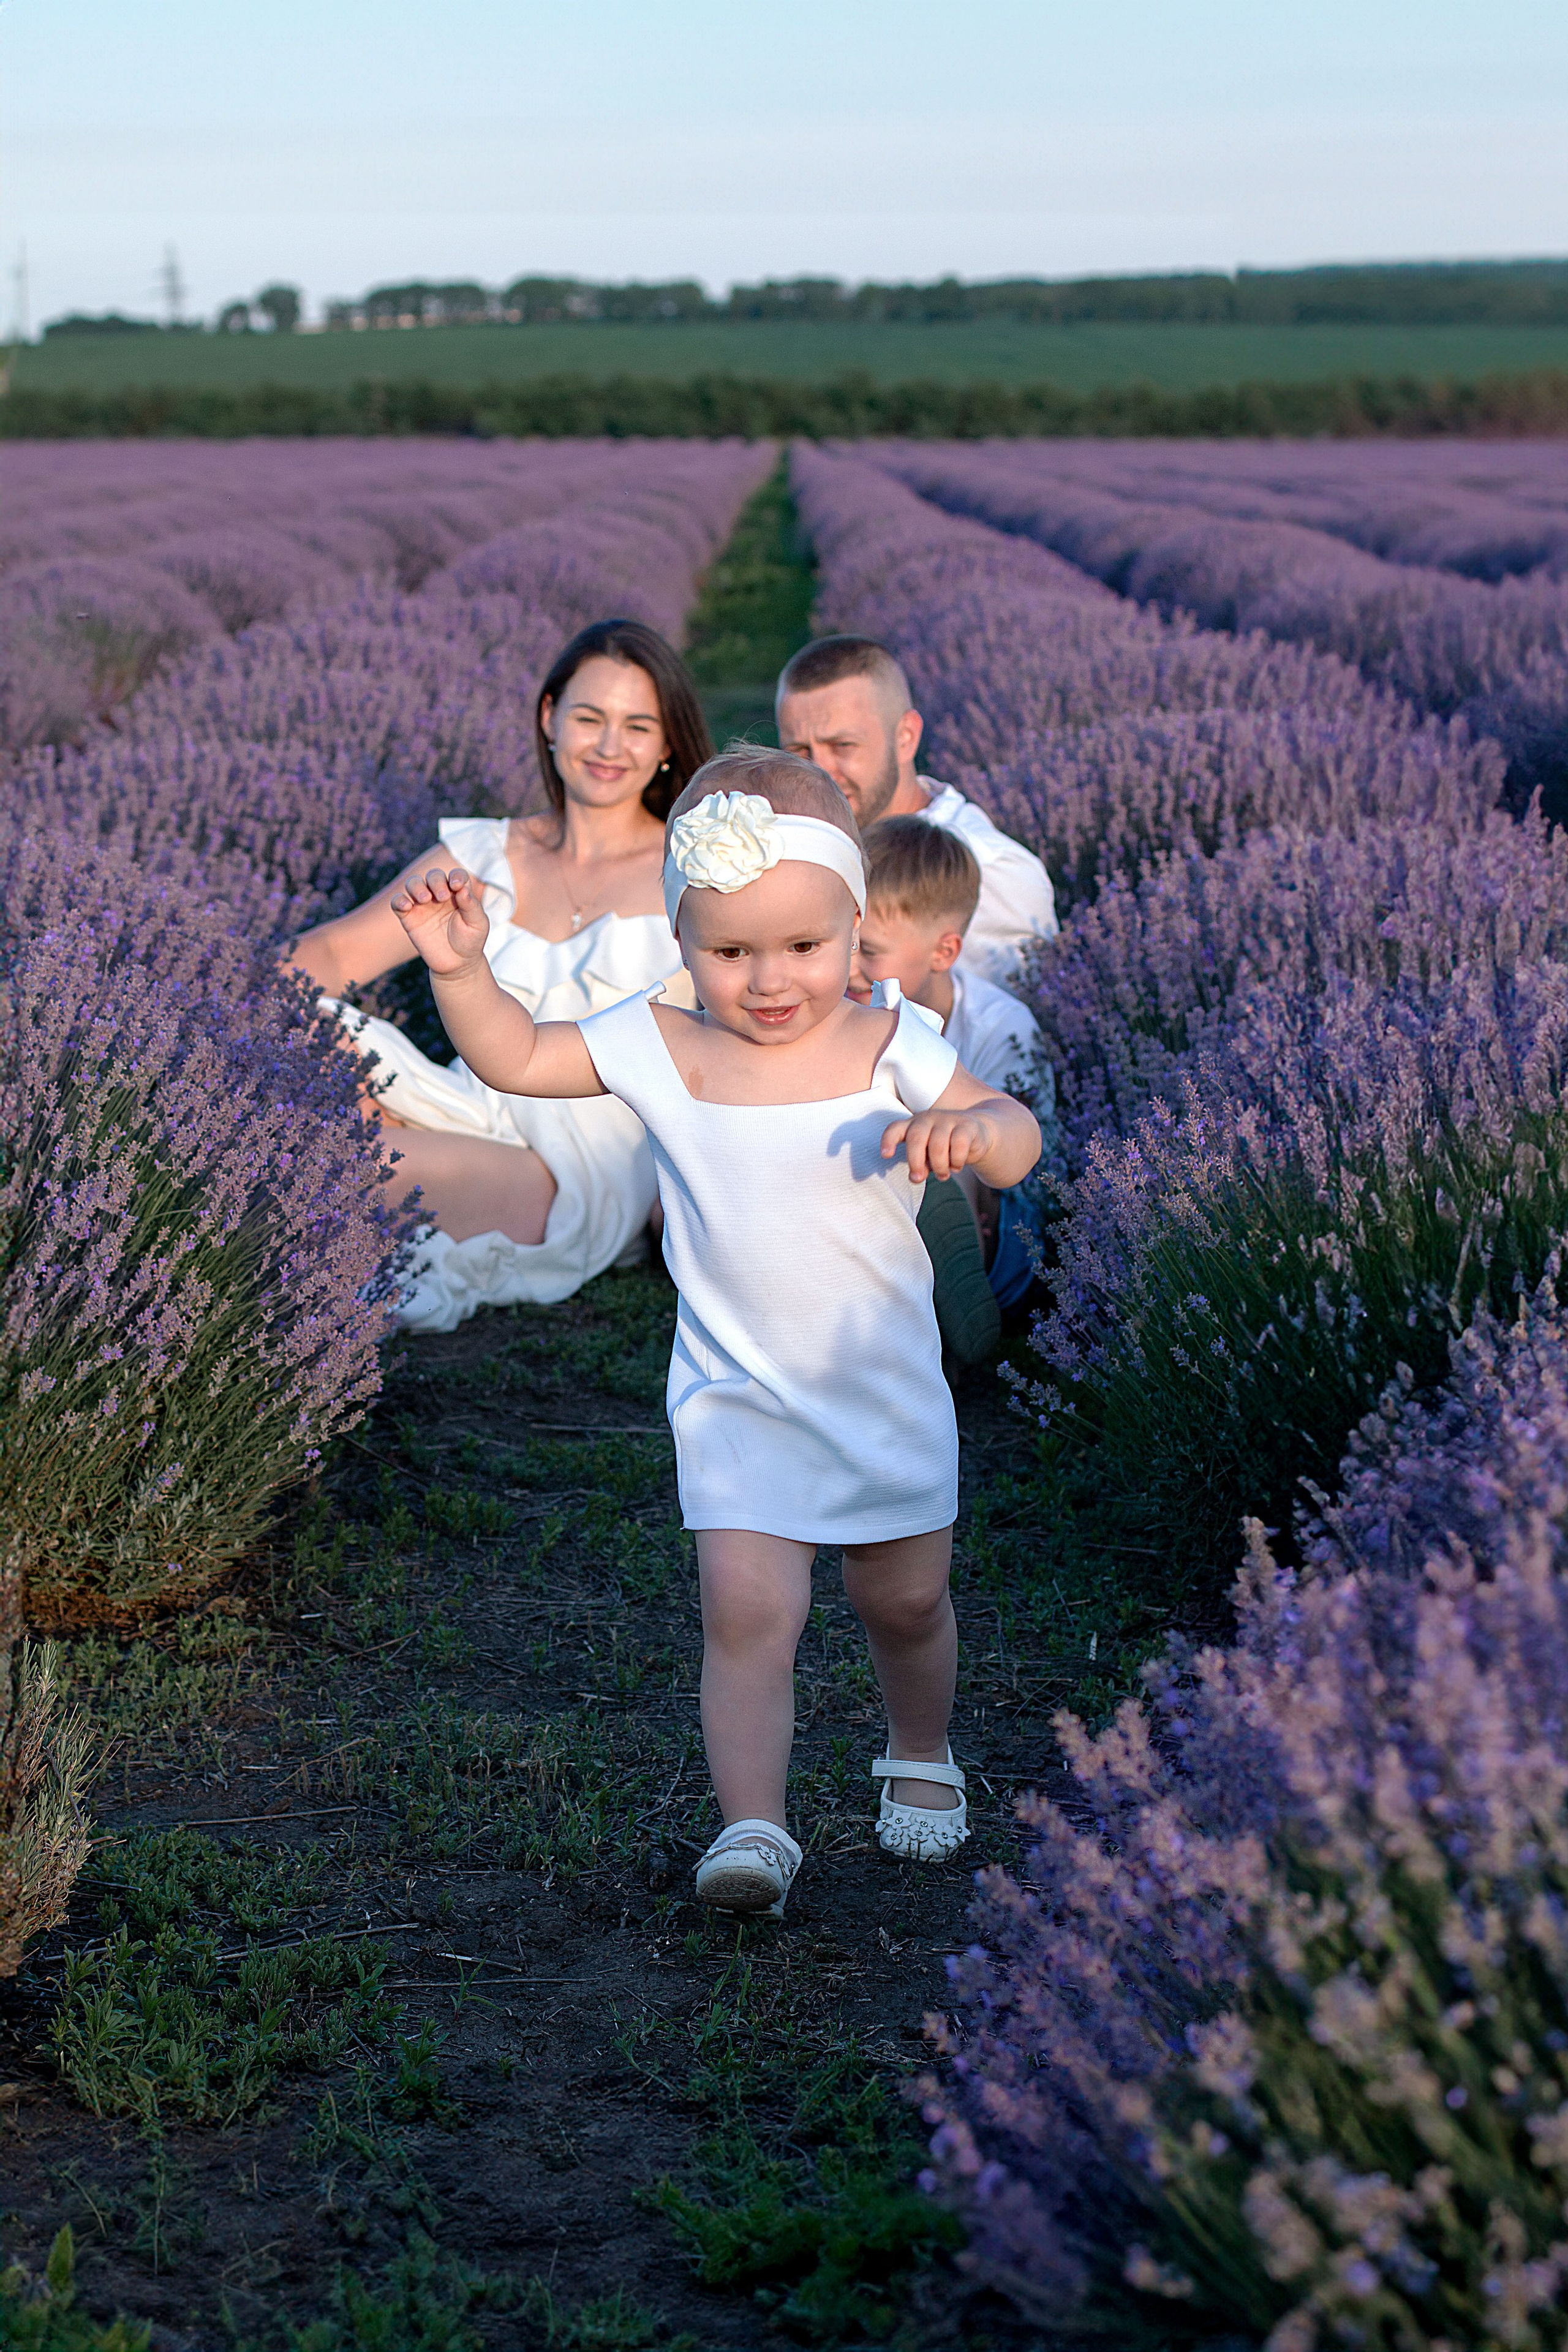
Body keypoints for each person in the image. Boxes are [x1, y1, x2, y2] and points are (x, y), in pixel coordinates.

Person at [387, 747, 1042, 1918]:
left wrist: (976, 1136)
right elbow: (520, 1058)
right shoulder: (662, 1043)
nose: (771, 980)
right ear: (682, 941)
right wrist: (461, 972)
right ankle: (754, 1826)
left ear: (854, 927)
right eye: (731, 952)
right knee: (746, 1612)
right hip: (738, 1395)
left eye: (804, 948)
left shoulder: (888, 1043)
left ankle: (921, 1747)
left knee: (904, 1602)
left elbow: (1012, 1131)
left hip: (878, 1385)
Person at [286, 617, 712, 1331]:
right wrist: (223, 1012)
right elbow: (329, 957)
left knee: (320, 1160)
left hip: (583, 1154)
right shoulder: (481, 853)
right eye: (589, 717)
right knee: (306, 1037)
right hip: (467, 1103)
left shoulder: (693, 872)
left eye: (638, 726)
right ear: (549, 718)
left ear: (668, 743)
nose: (610, 746)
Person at [851, 817, 1052, 1344]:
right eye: (838, 941)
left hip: (1001, 1233)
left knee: (942, 1156)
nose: (848, 967)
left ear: (944, 953)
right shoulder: (843, 1010)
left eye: (868, 951)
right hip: (871, 1219)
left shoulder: (997, 1027)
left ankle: (955, 1320)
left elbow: (1029, 1176)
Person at [775, 634, 1057, 987]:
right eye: (799, 750)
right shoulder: (789, 841)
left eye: (843, 746)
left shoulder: (991, 873)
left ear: (906, 737)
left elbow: (1002, 1029)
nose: (820, 772)